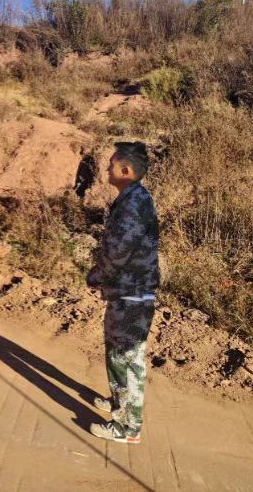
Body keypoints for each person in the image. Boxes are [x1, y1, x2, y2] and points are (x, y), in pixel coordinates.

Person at [87, 141, 160, 444]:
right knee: (117, 354)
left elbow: (117, 252)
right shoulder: (132, 198)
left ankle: (128, 428)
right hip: (125, 291)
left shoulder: (133, 203)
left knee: (128, 359)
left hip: (133, 294)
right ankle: (120, 402)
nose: (107, 169)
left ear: (126, 170)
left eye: (112, 165)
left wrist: (96, 276)